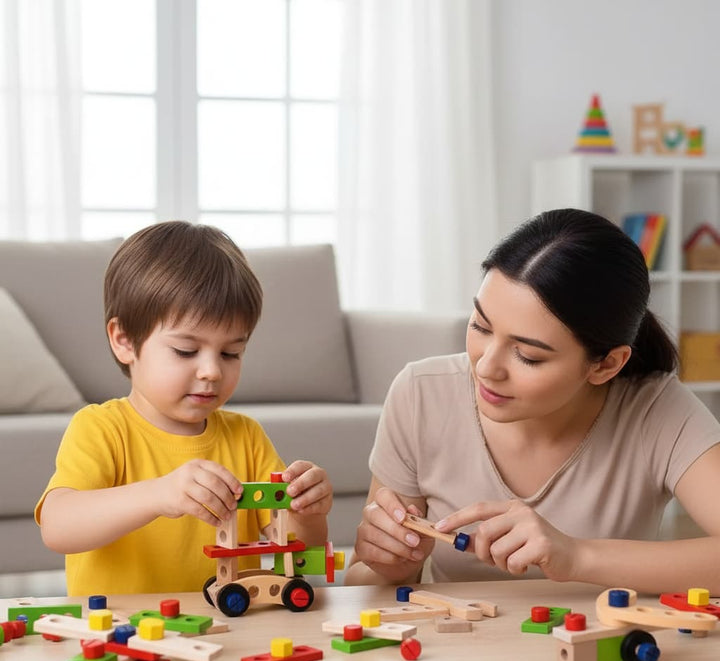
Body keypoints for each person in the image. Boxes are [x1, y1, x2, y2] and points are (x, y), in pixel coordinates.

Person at [345, 208, 720, 594]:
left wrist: (576, 557)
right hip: (458, 651)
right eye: (480, 326)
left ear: (606, 364)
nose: (487, 367)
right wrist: (389, 564)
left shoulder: (655, 409)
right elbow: (362, 583)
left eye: (529, 355)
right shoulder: (421, 394)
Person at [35, 221, 332, 596]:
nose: (211, 371)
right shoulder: (101, 428)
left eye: (231, 353)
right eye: (185, 351)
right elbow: (57, 526)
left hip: (234, 632)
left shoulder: (246, 436)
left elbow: (300, 552)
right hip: (124, 636)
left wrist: (309, 513)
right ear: (124, 340)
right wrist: (160, 494)